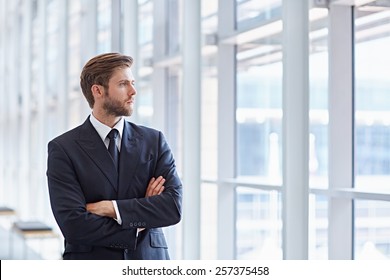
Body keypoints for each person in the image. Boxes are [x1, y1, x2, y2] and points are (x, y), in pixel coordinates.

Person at [46, 53, 182, 260]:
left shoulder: (153, 141)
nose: (133, 91)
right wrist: (139, 221)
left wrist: (112, 208)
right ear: (98, 91)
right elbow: (73, 224)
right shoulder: (63, 148)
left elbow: (172, 207)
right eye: (123, 84)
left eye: (133, 83)